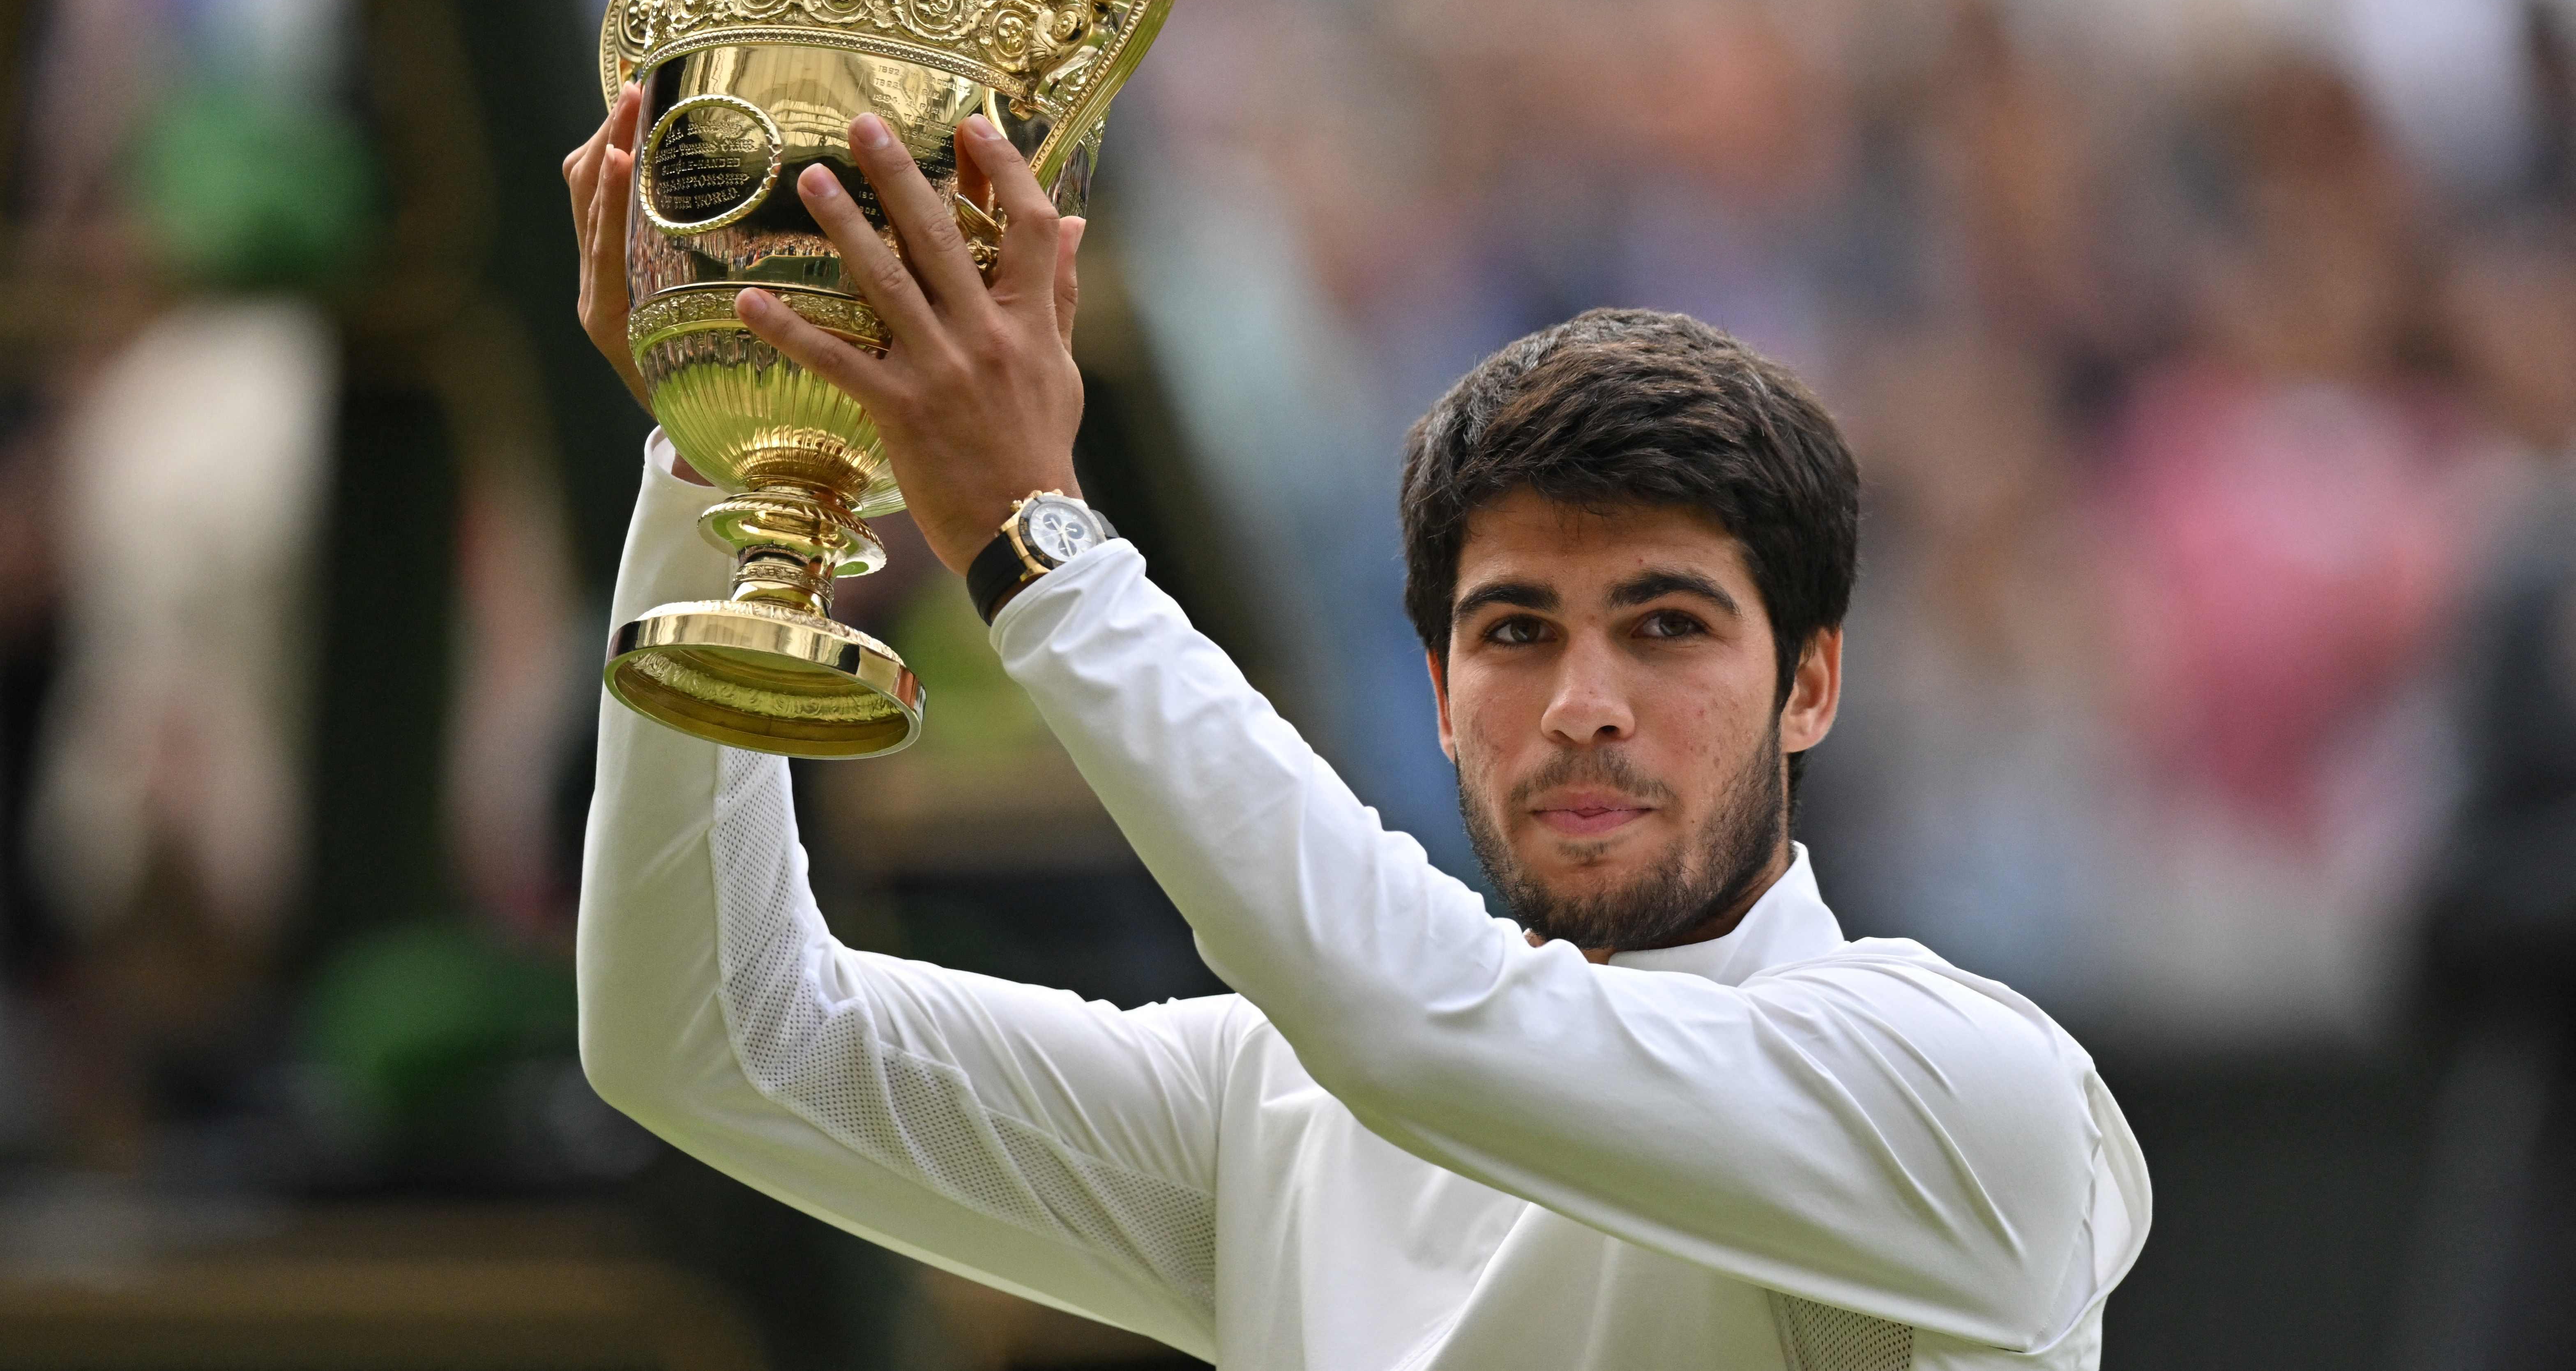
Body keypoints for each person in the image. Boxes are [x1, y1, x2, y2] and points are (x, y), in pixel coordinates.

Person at [562, 93, 2150, 1371]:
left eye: (1668, 626)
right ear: (1441, 694)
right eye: (1515, 631)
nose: (1583, 702)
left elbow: (1418, 1029)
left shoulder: (1976, 1092)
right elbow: (709, 1034)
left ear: (1812, 683)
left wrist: (1038, 543)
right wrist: (732, 449)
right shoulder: (1275, 1111)